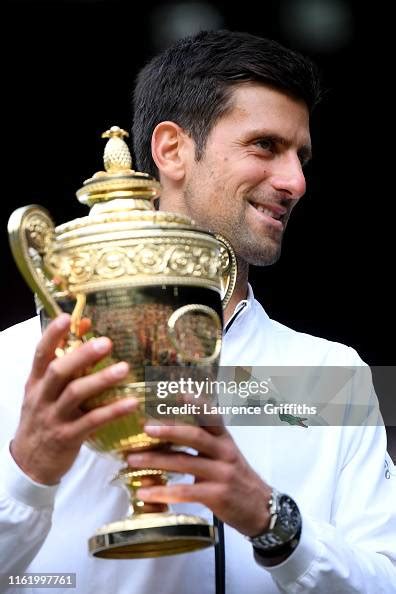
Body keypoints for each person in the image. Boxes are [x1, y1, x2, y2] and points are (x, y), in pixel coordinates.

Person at [0, 30, 395, 594]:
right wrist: (27, 475)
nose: (296, 182)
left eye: (300, 156)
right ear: (171, 150)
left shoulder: (332, 375)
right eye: (265, 145)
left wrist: (273, 521)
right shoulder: (14, 362)